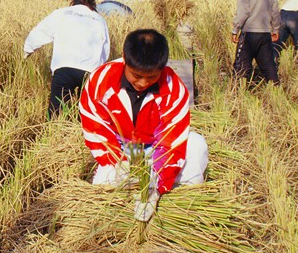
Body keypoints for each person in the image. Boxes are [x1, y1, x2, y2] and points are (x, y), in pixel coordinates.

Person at [79, 29, 208, 222]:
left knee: (196, 144)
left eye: (151, 77)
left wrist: (156, 187)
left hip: (155, 148)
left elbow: (171, 141)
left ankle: (185, 203)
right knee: (102, 192)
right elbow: (96, 128)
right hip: (121, 149)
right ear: (124, 58)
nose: (143, 83)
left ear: (163, 68)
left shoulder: (173, 88)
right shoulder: (101, 81)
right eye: (136, 75)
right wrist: (117, 162)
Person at [24, 0, 110, 116]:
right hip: (90, 71)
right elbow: (105, 48)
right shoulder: (99, 19)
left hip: (64, 68)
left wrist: (28, 49)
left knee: (56, 110)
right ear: (93, 0)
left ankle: (53, 132)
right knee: (87, 113)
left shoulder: (61, 13)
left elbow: (40, 32)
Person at [232, 0, 280, 84]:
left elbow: (243, 12)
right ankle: (276, 90)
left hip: (249, 33)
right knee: (269, 67)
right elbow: (275, 11)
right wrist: (275, 30)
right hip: (265, 33)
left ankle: (239, 92)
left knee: (241, 67)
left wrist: (235, 30)